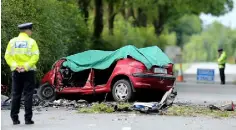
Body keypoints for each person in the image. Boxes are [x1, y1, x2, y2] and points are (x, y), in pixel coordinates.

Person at [4, 22, 40, 125]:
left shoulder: (12, 42)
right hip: (29, 72)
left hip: (16, 72)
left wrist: (16, 66)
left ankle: (14, 118)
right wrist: (26, 67)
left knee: (16, 94)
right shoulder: (31, 42)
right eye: (31, 30)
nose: (31, 32)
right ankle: (28, 119)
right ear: (27, 30)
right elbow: (35, 56)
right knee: (28, 94)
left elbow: (7, 56)